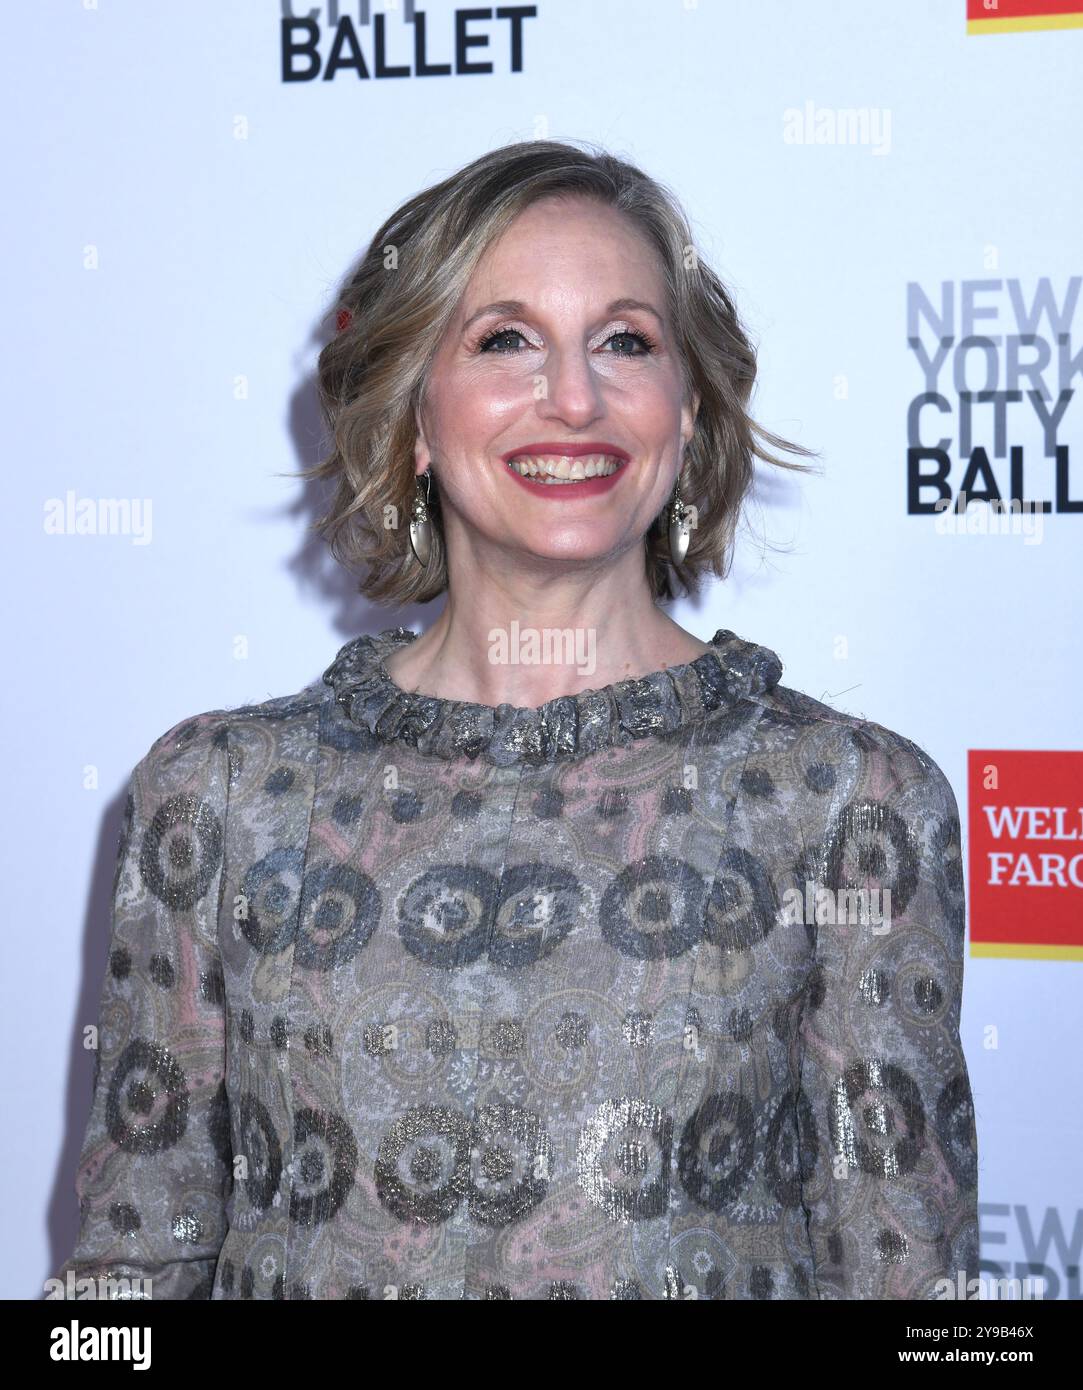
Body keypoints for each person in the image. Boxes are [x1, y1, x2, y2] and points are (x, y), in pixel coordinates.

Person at [53, 139, 979, 1301]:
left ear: (687, 415)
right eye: (505, 341)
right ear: (415, 420)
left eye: (625, 342)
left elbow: (916, 1301)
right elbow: (123, 1291)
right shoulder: (221, 793)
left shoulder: (850, 802)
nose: (575, 398)